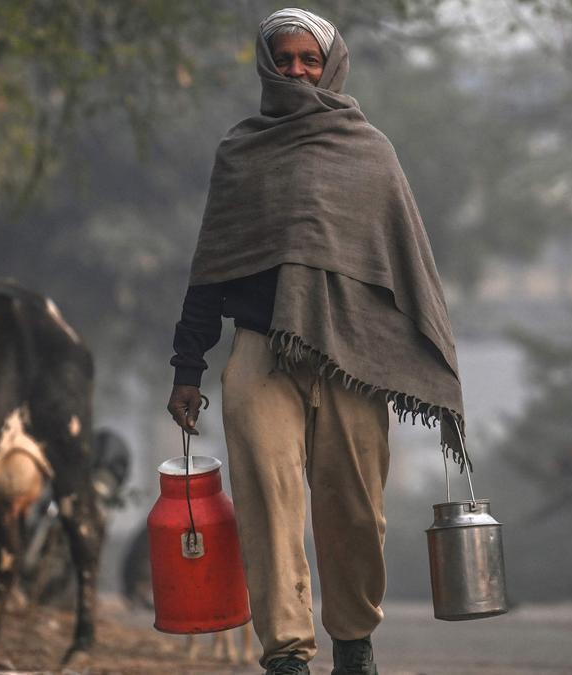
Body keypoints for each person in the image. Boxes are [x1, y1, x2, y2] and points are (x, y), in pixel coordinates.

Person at [166, 8, 466, 675]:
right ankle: (288, 653)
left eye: (309, 59)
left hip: (351, 359)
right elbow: (211, 265)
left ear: (331, 66)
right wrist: (188, 366)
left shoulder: (370, 152)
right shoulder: (240, 151)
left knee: (356, 511)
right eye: (285, 59)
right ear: (267, 66)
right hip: (259, 353)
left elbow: (403, 267)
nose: (297, 71)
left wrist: (417, 357)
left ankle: (354, 642)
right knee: (270, 506)